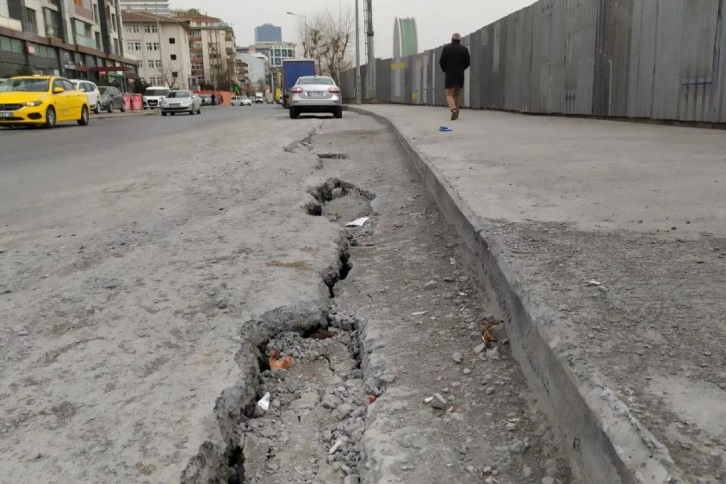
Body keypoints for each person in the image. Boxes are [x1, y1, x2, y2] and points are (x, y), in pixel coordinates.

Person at [439, 33, 471, 121]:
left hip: (450, 74)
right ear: (460, 40)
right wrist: (461, 68)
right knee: (456, 95)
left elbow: (441, 62)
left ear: (451, 39)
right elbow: (468, 62)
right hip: (460, 75)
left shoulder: (446, 48)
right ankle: (456, 114)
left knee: (449, 94)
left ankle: (453, 110)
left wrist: (446, 69)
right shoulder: (464, 50)